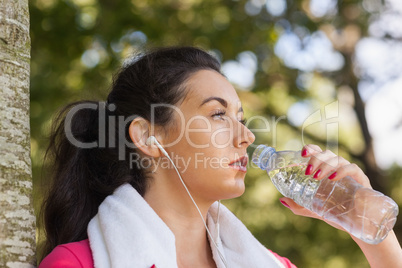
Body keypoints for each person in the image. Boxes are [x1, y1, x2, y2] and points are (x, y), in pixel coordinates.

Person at [38, 47, 402, 268]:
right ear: (148, 136)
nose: (246, 137)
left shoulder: (273, 264)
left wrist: (365, 224)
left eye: (241, 119)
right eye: (217, 115)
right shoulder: (80, 264)